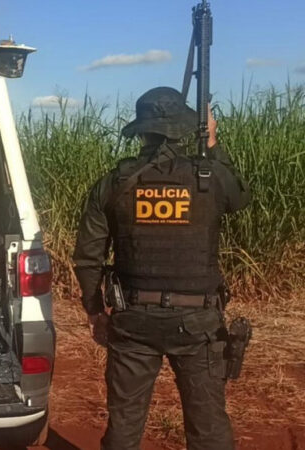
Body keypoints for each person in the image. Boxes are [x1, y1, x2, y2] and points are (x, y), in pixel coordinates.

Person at [72, 87, 250, 450]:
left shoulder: (113, 183)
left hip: (133, 319)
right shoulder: (210, 176)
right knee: (209, 428)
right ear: (185, 129)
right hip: (197, 323)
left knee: (124, 425)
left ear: (142, 131)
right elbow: (240, 198)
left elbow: (88, 257)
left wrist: (94, 311)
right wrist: (212, 143)